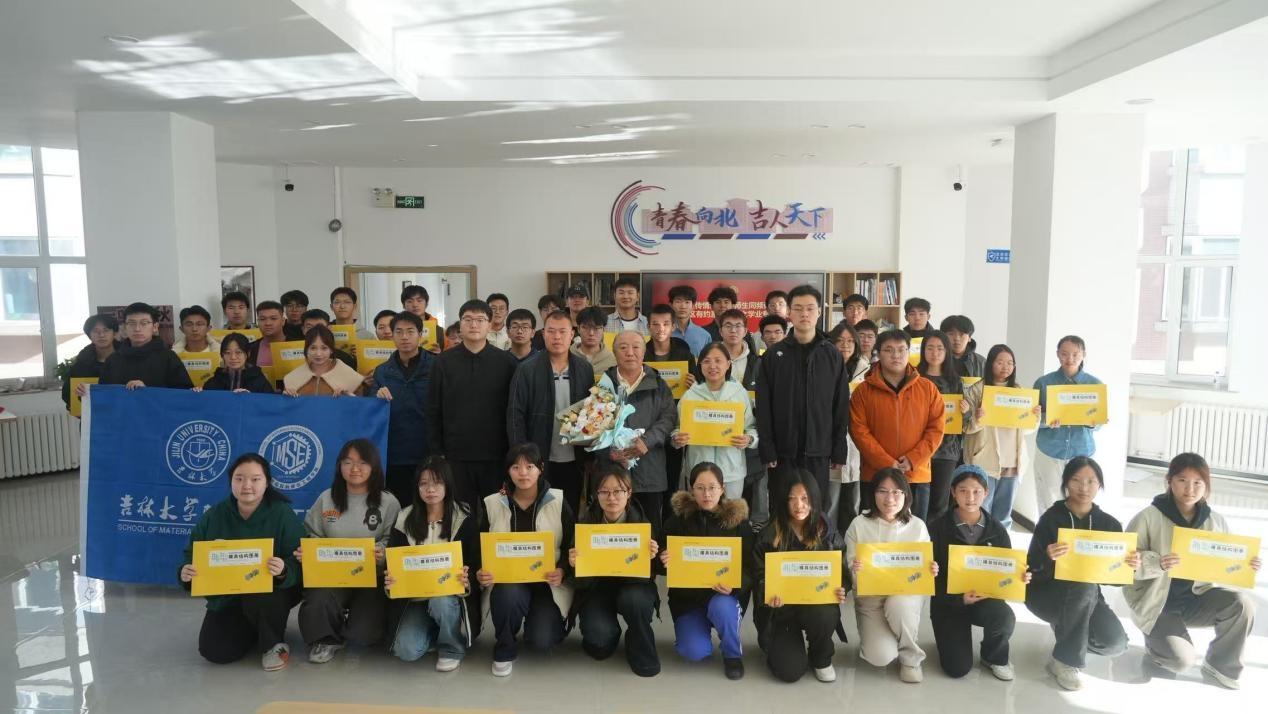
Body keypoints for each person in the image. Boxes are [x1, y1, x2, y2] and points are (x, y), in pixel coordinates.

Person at [1124, 452, 1260, 689]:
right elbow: (1126, 562)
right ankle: (1156, 645)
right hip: (1157, 603)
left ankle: (1220, 664)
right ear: (1169, 481)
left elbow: (1225, 561)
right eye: (1182, 480)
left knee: (1242, 605)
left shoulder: (1215, 521)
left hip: (1196, 597)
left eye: (1198, 482)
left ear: (1206, 486)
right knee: (1181, 661)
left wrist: (1246, 564)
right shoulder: (1148, 517)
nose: (1190, 489)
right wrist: (1158, 563)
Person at [179, 454, 304, 670]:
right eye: (239, 479)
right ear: (231, 481)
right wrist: (185, 572)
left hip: (271, 593)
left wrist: (284, 570)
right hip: (229, 596)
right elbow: (191, 555)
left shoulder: (282, 514)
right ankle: (255, 629)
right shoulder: (215, 515)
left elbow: (299, 559)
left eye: (255, 479)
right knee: (215, 651)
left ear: (267, 482)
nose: (247, 485)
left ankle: (273, 643)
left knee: (261, 595)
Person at [1025, 456, 1136, 691]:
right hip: (1046, 593)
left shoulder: (1110, 525)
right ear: (1066, 482)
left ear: (1099, 484)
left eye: (1091, 481)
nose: (1084, 488)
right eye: (1076, 480)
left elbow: (1116, 582)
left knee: (1115, 644)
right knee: (1084, 585)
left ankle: (1068, 630)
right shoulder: (1050, 519)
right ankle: (1065, 662)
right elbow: (1030, 569)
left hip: (1087, 598)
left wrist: (1128, 566)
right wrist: (1047, 556)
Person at [296, 439, 401, 664]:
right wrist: (310, 551)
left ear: (374, 466)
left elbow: (393, 540)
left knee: (364, 635)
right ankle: (327, 639)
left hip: (371, 578)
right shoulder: (326, 498)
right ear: (339, 466)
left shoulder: (388, 502)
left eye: (362, 462)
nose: (355, 469)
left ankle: (353, 624)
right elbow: (311, 533)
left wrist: (382, 553)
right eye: (348, 462)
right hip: (332, 576)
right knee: (317, 601)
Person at [476, 444, 575, 677]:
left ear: (541, 468)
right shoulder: (492, 503)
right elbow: (479, 547)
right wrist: (481, 570)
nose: (523, 473)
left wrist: (562, 570)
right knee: (508, 596)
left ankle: (542, 622)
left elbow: (572, 543)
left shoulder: (558, 500)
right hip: (509, 582)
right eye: (515, 467)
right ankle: (505, 646)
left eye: (529, 466)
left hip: (547, 585)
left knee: (542, 640)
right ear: (508, 471)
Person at [928, 466, 1028, 680]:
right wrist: (959, 599)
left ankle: (993, 656)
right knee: (957, 669)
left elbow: (1005, 570)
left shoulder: (997, 530)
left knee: (1003, 617)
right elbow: (929, 580)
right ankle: (950, 639)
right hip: (948, 604)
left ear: (986, 493)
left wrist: (1019, 577)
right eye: (963, 491)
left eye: (976, 491)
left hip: (984, 599)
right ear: (953, 492)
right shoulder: (936, 528)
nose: (970, 497)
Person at [385, 457, 481, 670]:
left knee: (441, 602)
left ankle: (451, 647)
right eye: (424, 483)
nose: (430, 489)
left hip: (449, 598)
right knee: (406, 651)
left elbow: (475, 562)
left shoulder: (463, 517)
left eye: (437, 482)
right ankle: (434, 631)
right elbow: (392, 562)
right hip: (415, 599)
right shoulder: (404, 518)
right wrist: (391, 580)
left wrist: (468, 578)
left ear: (448, 485)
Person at [755, 284, 849, 501]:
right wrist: (767, 448)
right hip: (782, 452)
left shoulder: (832, 355)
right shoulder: (773, 355)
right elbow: (764, 407)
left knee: (814, 508)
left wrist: (838, 449)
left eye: (810, 308)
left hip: (819, 451)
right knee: (781, 507)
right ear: (789, 312)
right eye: (797, 308)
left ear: (819, 312)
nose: (804, 314)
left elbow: (840, 406)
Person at [751, 471, 847, 683]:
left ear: (814, 499)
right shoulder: (769, 534)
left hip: (815, 604)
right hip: (781, 611)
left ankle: (821, 656)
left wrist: (841, 586)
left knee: (824, 614)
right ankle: (783, 643)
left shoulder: (826, 531)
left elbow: (841, 566)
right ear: (783, 501)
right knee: (790, 671)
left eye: (805, 498)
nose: (799, 505)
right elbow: (758, 574)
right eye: (792, 498)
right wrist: (767, 593)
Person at [566, 464, 661, 677]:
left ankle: (639, 644)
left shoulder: (642, 523)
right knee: (599, 643)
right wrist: (574, 565)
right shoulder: (585, 525)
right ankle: (609, 632)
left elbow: (651, 577)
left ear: (629, 493)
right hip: (596, 589)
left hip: (632, 587)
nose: (611, 498)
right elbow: (579, 583)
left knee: (635, 601)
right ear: (596, 494)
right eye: (604, 492)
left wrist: (652, 558)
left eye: (618, 491)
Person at [660, 462, 753, 680]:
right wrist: (662, 559)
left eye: (712, 487)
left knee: (722, 607)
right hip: (688, 600)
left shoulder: (738, 523)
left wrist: (735, 585)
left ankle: (732, 654)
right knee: (693, 651)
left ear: (722, 489)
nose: (707, 494)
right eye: (700, 488)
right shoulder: (677, 521)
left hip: (723, 596)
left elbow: (751, 567)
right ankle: (699, 631)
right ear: (691, 489)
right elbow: (658, 559)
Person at [426, 299, 519, 512]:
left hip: (496, 455)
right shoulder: (443, 362)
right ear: (460, 324)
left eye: (480, 320)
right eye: (468, 319)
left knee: (496, 515)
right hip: (455, 456)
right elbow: (433, 409)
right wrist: (437, 451)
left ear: (490, 325)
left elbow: (514, 411)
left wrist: (513, 450)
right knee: (461, 515)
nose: (474, 324)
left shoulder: (506, 362)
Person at [845, 468, 936, 684]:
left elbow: (922, 571)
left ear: (906, 494)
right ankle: (890, 636)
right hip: (871, 597)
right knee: (880, 657)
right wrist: (854, 570)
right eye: (883, 491)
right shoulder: (859, 524)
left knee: (899, 605)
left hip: (905, 595)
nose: (890, 499)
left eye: (896, 492)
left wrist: (930, 570)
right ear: (873, 493)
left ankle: (910, 658)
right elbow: (851, 573)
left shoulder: (917, 526)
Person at [849, 330, 944, 521]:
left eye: (901, 350)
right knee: (873, 530)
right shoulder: (863, 391)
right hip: (875, 475)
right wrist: (887, 463)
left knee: (913, 531)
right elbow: (859, 431)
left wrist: (913, 459)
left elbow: (936, 429)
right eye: (889, 350)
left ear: (909, 352)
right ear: (878, 353)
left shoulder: (928, 389)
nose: (896, 355)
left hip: (915, 474)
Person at [507, 310, 595, 514]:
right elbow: (515, 415)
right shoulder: (526, 369)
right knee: (539, 511)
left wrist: (591, 454)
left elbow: (591, 413)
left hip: (574, 456)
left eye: (562, 332)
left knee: (570, 511)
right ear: (543, 334)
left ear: (572, 334)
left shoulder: (584, 369)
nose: (557, 337)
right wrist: (521, 455)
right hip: (538, 456)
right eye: (551, 331)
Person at [597, 332, 676, 531]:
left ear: (644, 351)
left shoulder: (658, 384)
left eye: (636, 347)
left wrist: (647, 441)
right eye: (623, 347)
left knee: (649, 533)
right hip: (612, 478)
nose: (630, 353)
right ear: (614, 352)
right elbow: (591, 428)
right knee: (612, 534)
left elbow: (668, 419)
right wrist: (608, 452)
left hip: (650, 473)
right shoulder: (603, 386)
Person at [964, 344, 1038, 528]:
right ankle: (980, 543)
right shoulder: (977, 390)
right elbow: (965, 428)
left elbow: (1026, 430)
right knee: (982, 510)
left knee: (1004, 513)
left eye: (1010, 363)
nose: (1005, 367)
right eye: (1000, 362)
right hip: (984, 460)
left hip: (1012, 461)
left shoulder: (1019, 391)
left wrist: (1034, 418)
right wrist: (977, 419)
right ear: (990, 363)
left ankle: (1001, 544)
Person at [674, 342, 758, 500]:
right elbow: (677, 428)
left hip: (731, 471)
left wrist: (749, 439)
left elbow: (751, 427)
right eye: (706, 361)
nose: (712, 366)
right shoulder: (690, 395)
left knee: (730, 512)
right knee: (699, 513)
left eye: (718, 361)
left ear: (728, 364)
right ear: (700, 365)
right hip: (698, 471)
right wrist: (677, 438)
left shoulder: (740, 394)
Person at [372, 311, 436, 506]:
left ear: (420, 335)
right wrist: (376, 395)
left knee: (429, 505)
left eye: (410, 331)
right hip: (395, 453)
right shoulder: (382, 371)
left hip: (429, 450)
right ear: (392, 336)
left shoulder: (437, 365)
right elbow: (371, 408)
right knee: (398, 507)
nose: (404, 337)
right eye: (399, 332)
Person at [917, 330, 979, 523]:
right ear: (923, 351)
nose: (935, 353)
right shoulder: (915, 378)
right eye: (930, 348)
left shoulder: (955, 381)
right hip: (918, 447)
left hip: (946, 449)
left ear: (947, 352)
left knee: (939, 503)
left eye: (940, 348)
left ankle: (936, 539)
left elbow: (963, 422)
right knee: (917, 501)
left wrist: (965, 410)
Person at [1033, 335, 1103, 508]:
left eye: (1075, 354)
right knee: (1047, 502)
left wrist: (1092, 422)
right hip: (1050, 450)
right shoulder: (1043, 383)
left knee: (1081, 500)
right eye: (1064, 354)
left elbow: (1098, 424)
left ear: (1084, 354)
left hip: (1082, 451)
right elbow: (1032, 419)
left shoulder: (1095, 385)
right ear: (1057, 354)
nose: (1070, 359)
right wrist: (1047, 420)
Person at [824, 321, 868, 530]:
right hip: (831, 438)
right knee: (830, 501)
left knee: (853, 501)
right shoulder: (823, 368)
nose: (845, 345)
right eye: (840, 341)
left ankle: (850, 542)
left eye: (850, 341)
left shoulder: (865, 371)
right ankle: (829, 541)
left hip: (857, 442)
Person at [100, 302, 194, 390]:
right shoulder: (113, 360)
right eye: (132, 323)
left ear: (155, 327)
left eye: (144, 323)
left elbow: (183, 393)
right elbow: (103, 394)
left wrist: (147, 391)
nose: (137, 329)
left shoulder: (168, 357)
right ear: (124, 327)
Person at [282, 325, 365, 397]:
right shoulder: (292, 378)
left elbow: (360, 406)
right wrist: (286, 399)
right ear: (306, 349)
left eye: (324, 348)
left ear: (331, 350)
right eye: (313, 348)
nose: (318, 354)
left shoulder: (351, 376)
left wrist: (349, 398)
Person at [62, 314, 118, 409]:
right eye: (96, 331)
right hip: (91, 415)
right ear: (89, 336)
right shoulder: (82, 363)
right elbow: (67, 394)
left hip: (124, 414)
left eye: (106, 330)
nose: (101, 335)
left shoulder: (127, 358)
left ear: (114, 333)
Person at [198, 333, 274, 393]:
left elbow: (269, 403)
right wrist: (197, 393)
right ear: (222, 355)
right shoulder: (213, 382)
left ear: (248, 354)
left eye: (238, 352)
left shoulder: (259, 380)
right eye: (228, 353)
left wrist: (250, 398)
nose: (233, 357)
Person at [571, 306, 617, 374]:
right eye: (586, 328)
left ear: (603, 329)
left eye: (596, 328)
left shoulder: (613, 361)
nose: (591, 333)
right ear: (578, 329)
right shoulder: (566, 356)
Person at [668, 284, 711, 356]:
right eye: (678, 301)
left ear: (693, 306)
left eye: (687, 302)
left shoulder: (704, 335)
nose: (683, 306)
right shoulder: (662, 333)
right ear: (671, 305)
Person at [401, 284, 445, 352]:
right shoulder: (396, 330)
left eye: (419, 300)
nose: (415, 305)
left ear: (426, 304)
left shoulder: (439, 331)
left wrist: (440, 355)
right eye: (410, 301)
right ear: (403, 305)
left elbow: (450, 354)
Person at [940, 315, 985, 380]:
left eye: (961, 334)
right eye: (951, 334)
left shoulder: (981, 362)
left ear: (969, 338)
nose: (956, 338)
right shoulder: (936, 358)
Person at [247, 300, 287, 372]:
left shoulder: (299, 346)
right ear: (258, 322)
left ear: (283, 321)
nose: (268, 323)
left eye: (273, 318)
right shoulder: (250, 349)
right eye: (262, 319)